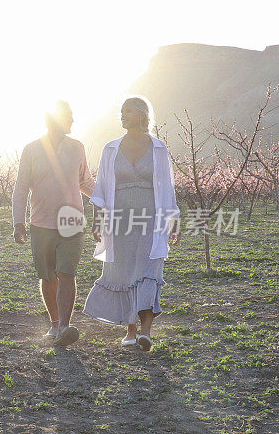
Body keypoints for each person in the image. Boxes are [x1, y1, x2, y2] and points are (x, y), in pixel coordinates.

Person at [83, 96, 181, 351]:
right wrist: (97, 219)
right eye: (121, 112)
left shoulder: (159, 148)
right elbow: (101, 188)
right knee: (125, 272)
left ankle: (146, 331)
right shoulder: (110, 149)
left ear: (141, 115)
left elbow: (168, 188)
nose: (122, 116)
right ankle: (130, 329)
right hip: (120, 221)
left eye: (127, 111)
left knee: (149, 271)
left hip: (151, 219)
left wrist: (174, 220)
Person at [12, 100, 95, 347]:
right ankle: (55, 323)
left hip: (72, 220)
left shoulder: (77, 147)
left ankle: (65, 327)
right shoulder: (32, 149)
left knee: (66, 273)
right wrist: (18, 223)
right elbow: (20, 188)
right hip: (41, 223)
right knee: (48, 277)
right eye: (69, 116)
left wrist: (108, 198)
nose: (73, 120)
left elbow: (85, 182)